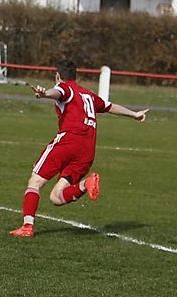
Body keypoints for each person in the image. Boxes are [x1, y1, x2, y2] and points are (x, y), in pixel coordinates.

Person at [10, 59, 147, 238]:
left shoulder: (64, 88)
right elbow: (110, 106)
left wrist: (44, 94)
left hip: (69, 141)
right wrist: (134, 114)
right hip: (87, 150)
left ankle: (27, 226)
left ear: (58, 76)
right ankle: (85, 184)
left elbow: (58, 92)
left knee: (35, 182)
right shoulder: (88, 94)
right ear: (76, 76)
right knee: (56, 197)